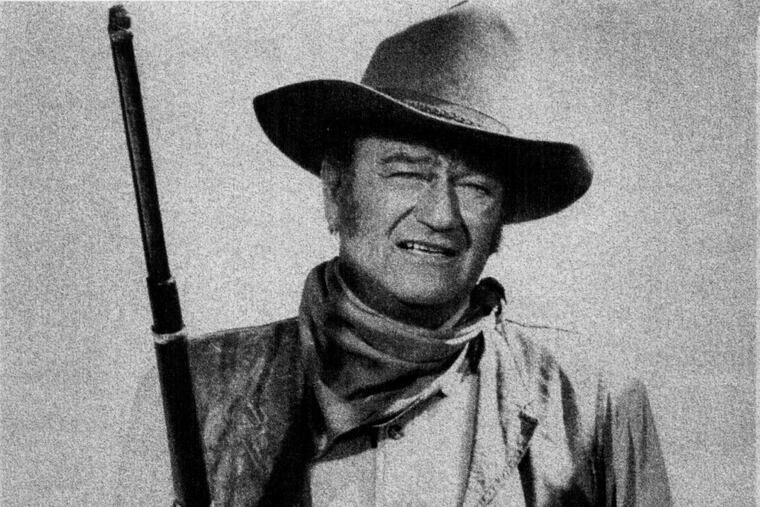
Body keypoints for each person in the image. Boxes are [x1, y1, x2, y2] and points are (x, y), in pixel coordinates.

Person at [116, 3, 671, 506]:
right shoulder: (194, 392)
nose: (441, 215)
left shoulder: (596, 407)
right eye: (407, 172)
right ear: (336, 191)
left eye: (474, 186)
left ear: (501, 219)